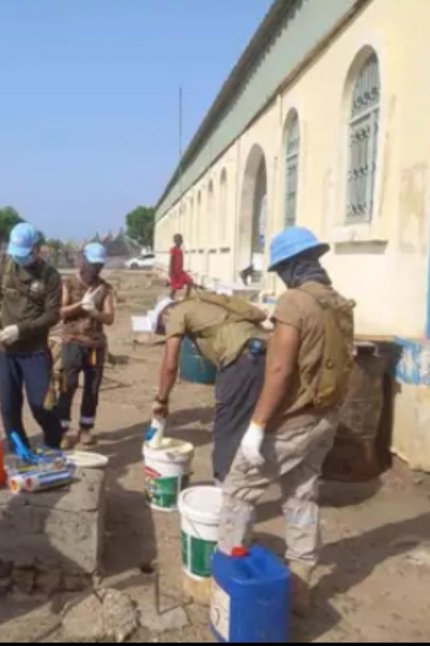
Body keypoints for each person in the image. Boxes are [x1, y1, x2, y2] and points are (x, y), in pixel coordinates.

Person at [216, 226, 355, 616]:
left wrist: (257, 427)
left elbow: (279, 370)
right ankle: (299, 585)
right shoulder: (337, 301)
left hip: (293, 421)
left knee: (239, 489)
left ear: (291, 267)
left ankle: (227, 581)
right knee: (301, 493)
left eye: (281, 269)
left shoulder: (294, 302)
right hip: (325, 417)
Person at [149, 291, 270, 483]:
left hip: (241, 359)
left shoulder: (175, 313)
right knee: (251, 420)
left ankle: (223, 488)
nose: (167, 332)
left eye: (163, 329)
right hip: (267, 353)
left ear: (164, 315)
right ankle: (249, 477)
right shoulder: (204, 307)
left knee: (226, 427)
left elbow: (170, 364)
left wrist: (161, 399)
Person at [0, 223, 64, 451]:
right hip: (6, 353)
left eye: (24, 254)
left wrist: (20, 330)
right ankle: (20, 450)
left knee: (40, 405)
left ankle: (54, 441)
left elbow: (53, 315)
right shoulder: (5, 266)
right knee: (8, 405)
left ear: (36, 249)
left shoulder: (50, 276)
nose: (19, 259)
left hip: (34, 351)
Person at [57, 242, 115, 448]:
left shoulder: (104, 288)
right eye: (93, 264)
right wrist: (80, 305)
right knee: (68, 385)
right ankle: (62, 429)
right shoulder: (69, 283)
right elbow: (61, 312)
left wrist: (95, 312)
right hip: (72, 342)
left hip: (95, 346)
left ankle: (86, 428)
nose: (96, 269)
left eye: (99, 265)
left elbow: (109, 318)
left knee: (92, 388)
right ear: (83, 260)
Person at [168, 233, 194, 299]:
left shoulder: (180, 250)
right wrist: (170, 271)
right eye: (177, 240)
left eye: (180, 240)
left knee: (190, 281)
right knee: (174, 288)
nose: (179, 242)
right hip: (175, 272)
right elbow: (171, 260)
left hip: (180, 272)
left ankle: (187, 297)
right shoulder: (173, 249)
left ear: (182, 241)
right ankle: (170, 299)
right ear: (174, 241)